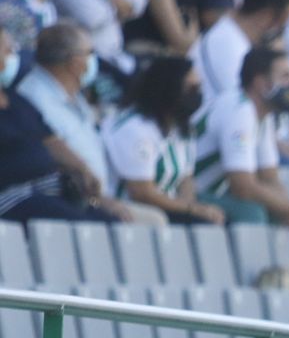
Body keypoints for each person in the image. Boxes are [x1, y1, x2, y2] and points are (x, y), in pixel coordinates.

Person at [16, 23, 163, 225]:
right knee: (154, 222)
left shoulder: (75, 97)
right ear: (75, 63)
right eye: (90, 53)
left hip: (96, 199)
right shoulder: (34, 98)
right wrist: (96, 200)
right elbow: (48, 161)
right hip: (66, 200)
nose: (94, 60)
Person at [191, 44, 289, 232]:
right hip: (188, 194)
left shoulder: (263, 115)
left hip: (210, 195)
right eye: (286, 76)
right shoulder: (239, 111)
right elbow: (243, 186)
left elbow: (269, 177)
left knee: (279, 212)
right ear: (261, 84)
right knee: (251, 212)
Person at [0, 27, 120, 225]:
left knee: (111, 223)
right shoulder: (34, 93)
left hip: (52, 190)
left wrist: (84, 170)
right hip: (12, 195)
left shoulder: (16, 100)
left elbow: (51, 141)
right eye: (7, 50)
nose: (13, 56)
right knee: (86, 229)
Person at [102, 55, 222, 224]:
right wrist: (192, 210)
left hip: (168, 208)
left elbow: (186, 179)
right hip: (127, 210)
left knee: (215, 221)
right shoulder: (135, 128)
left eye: (198, 88)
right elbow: (142, 193)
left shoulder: (181, 127)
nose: (197, 95)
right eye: (191, 88)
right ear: (169, 88)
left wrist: (191, 208)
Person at [190, 0, 289, 105]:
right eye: (281, 25)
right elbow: (245, 107)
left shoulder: (231, 33)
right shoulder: (228, 44)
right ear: (266, 16)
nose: (281, 34)